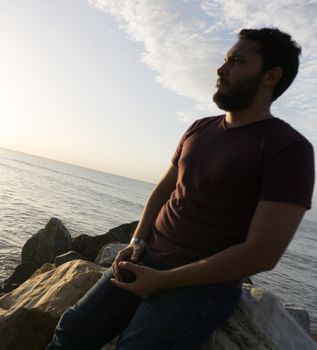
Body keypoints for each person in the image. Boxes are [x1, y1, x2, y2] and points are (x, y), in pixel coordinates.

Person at [46, 28, 315, 350]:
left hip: (202, 287)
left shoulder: (288, 149)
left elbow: (262, 254)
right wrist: (137, 241)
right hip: (145, 260)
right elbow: (163, 192)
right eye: (225, 60)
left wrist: (165, 281)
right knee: (72, 329)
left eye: (237, 61)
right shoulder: (200, 128)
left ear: (271, 75)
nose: (221, 68)